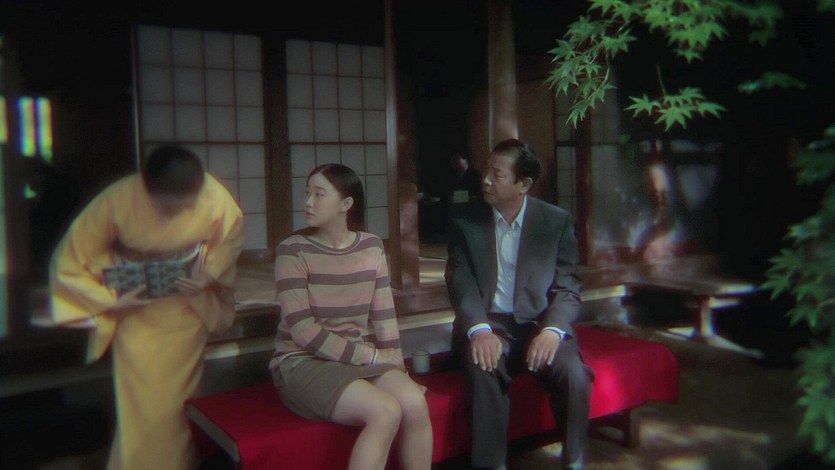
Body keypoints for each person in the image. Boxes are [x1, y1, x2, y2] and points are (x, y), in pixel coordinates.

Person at [46, 145, 243, 469]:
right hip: (136, 315)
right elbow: (71, 260)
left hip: (185, 311)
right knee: (141, 410)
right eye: (166, 207)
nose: (174, 215)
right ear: (146, 187)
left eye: (185, 206)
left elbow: (230, 239)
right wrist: (110, 298)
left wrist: (207, 274)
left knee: (180, 408)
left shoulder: (214, 196)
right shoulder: (117, 199)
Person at [271, 163, 432, 470]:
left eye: (319, 194)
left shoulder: (371, 246)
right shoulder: (292, 251)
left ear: (346, 204)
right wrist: (371, 357)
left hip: (357, 357)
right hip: (302, 361)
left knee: (414, 402)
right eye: (307, 193)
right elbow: (302, 330)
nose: (308, 202)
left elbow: (384, 314)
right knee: (384, 411)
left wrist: (398, 367)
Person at [445, 139, 592, 470]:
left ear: (523, 184)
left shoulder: (555, 222)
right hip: (490, 323)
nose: (485, 180)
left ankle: (574, 461)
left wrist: (553, 330)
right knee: (483, 367)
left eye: (497, 175)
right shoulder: (464, 219)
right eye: (486, 170)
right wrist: (479, 329)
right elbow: (460, 281)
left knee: (574, 374)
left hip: (540, 324)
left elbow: (568, 288)